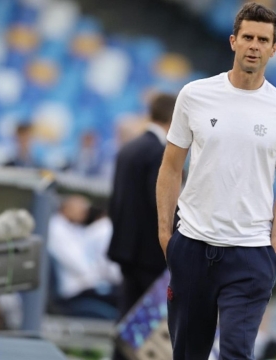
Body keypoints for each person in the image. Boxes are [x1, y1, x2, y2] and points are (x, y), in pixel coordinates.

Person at [156, 3, 276, 359]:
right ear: (233, 41)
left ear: (274, 49)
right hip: (192, 246)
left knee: (237, 353)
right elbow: (170, 168)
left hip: (251, 254)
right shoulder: (194, 95)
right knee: (188, 354)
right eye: (248, 37)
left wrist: (273, 252)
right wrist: (166, 236)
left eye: (263, 39)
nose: (254, 45)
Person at [107, 94, 176, 359]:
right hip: (148, 251)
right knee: (144, 324)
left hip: (125, 248)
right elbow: (159, 202)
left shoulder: (130, 147)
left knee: (126, 314)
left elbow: (116, 200)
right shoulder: (159, 152)